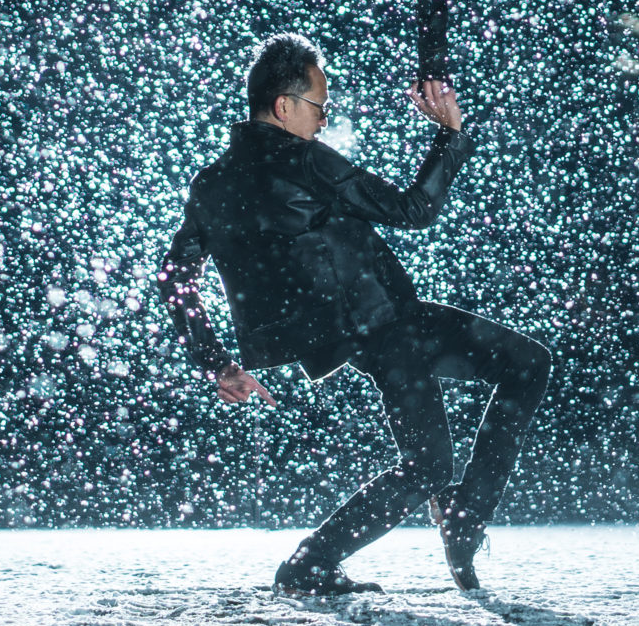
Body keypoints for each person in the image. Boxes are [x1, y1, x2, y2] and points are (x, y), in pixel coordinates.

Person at [155, 32, 552, 594]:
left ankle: (344, 553)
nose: (323, 119)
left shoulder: (212, 183)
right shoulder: (304, 161)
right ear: (284, 106)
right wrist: (451, 133)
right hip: (385, 323)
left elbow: (174, 277)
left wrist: (217, 363)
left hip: (359, 332)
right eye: (319, 105)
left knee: (439, 456)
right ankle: (341, 556)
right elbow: (415, 209)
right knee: (522, 371)